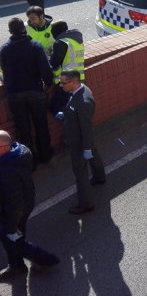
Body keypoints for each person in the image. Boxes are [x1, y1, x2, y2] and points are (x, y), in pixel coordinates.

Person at [0, 131, 60, 280]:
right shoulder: (18, 154)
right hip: (24, 203)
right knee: (15, 236)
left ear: (3, 148)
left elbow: (14, 203)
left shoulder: (6, 171)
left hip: (14, 211)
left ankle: (44, 260)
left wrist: (11, 227)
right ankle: (17, 265)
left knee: (12, 237)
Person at [0, 18, 53, 167]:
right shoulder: (35, 46)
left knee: (23, 130)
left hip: (15, 94)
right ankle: (45, 155)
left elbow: (3, 71)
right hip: (35, 91)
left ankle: (30, 161)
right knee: (41, 125)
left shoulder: (4, 49)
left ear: (10, 32)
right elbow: (46, 70)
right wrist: (48, 85)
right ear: (24, 30)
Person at [57, 70, 106, 215]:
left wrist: (86, 147)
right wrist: (65, 114)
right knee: (94, 153)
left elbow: (86, 128)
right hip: (83, 137)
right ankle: (99, 177)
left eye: (63, 83)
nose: (61, 85)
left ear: (73, 82)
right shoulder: (80, 90)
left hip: (79, 140)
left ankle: (86, 203)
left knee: (80, 171)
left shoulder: (83, 102)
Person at [49, 20, 84, 115]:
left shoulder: (60, 43)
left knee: (55, 107)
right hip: (78, 79)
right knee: (74, 106)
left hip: (65, 82)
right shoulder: (77, 40)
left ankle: (68, 123)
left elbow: (54, 64)